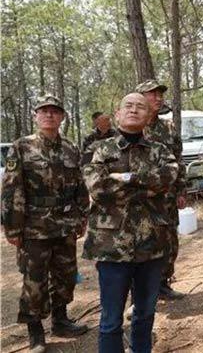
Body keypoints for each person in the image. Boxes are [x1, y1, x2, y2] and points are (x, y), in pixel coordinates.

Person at [83, 92, 179, 353]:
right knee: (111, 320)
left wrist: (123, 178)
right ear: (117, 113)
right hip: (112, 246)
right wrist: (145, 183)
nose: (134, 110)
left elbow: (167, 179)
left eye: (141, 107)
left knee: (145, 314)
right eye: (129, 106)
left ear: (149, 116)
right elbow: (98, 189)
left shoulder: (160, 150)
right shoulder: (99, 149)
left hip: (152, 244)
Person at [1, 94, 89, 353]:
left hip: (65, 224)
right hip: (34, 226)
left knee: (65, 275)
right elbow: (11, 190)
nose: (49, 115)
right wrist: (13, 227)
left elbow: (80, 186)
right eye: (44, 111)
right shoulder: (21, 146)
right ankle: (35, 331)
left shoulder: (71, 148)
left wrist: (82, 215)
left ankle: (60, 321)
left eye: (54, 111)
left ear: (62, 116)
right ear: (35, 116)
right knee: (35, 280)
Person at [135, 79, 187, 300]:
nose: (158, 98)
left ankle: (163, 283)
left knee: (168, 240)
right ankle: (139, 292)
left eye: (160, 94)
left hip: (167, 195)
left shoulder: (168, 127)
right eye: (152, 94)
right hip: (140, 197)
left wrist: (181, 189)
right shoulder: (132, 125)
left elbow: (178, 159)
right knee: (141, 241)